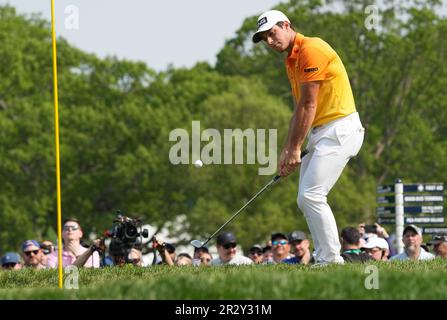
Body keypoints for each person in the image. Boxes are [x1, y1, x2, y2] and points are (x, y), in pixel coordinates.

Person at [252, 10, 364, 265]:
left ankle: (330, 259)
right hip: (321, 132)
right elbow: (298, 109)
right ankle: (326, 256)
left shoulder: (311, 49)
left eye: (272, 33)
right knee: (305, 198)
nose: (270, 41)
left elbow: (309, 106)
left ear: (286, 25)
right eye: (264, 38)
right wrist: (286, 151)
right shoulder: (291, 61)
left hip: (340, 129)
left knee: (312, 195)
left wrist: (295, 149)